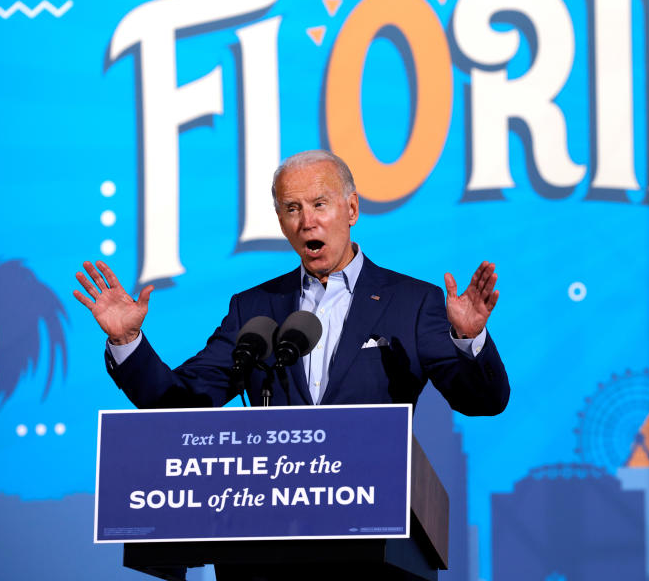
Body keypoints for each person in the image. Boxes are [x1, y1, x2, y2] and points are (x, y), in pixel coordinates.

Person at [73, 150, 509, 415]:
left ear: (352, 210)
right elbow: (181, 404)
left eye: (320, 204)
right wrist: (128, 342)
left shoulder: (412, 302)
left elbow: (482, 402)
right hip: (267, 541)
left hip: (371, 538)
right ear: (280, 221)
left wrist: (469, 340)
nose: (307, 221)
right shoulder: (254, 309)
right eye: (292, 208)